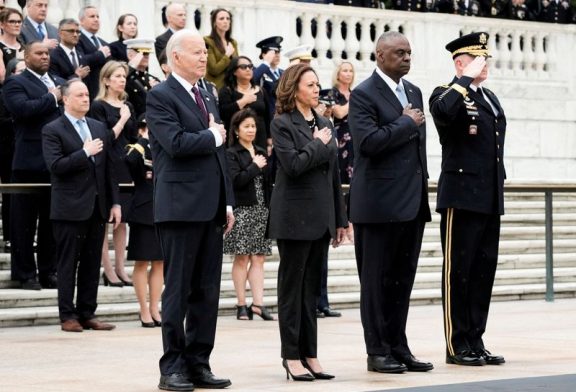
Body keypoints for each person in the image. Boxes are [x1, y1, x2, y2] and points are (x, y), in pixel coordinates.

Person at [146, 29, 233, 391]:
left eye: (205, 52)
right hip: (180, 207)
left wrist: (226, 200)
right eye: (197, 52)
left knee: (206, 290)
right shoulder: (159, 96)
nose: (204, 58)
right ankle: (173, 367)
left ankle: (200, 362)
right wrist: (213, 135)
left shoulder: (207, 94)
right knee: (178, 289)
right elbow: (176, 143)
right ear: (175, 56)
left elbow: (219, 154)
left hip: (210, 206)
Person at [348, 31, 432, 374]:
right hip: (378, 206)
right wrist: (405, 122)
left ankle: (399, 346)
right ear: (380, 55)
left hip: (411, 204)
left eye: (409, 52)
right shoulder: (363, 94)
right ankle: (377, 350)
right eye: (400, 53)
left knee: (402, 280)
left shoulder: (414, 92)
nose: (407, 58)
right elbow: (368, 143)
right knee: (376, 282)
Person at [429, 31, 507, 367]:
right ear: (460, 63)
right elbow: (443, 113)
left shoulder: (488, 97)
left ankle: (476, 339)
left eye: (485, 59)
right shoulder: (447, 93)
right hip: (461, 197)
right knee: (458, 272)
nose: (484, 64)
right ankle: (456, 343)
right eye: (477, 59)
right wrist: (462, 79)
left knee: (482, 272)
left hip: (489, 196)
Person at [268, 63, 347, 382]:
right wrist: (316, 143)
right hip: (293, 218)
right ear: (294, 88)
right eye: (311, 85)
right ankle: (291, 355)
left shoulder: (325, 121)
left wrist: (341, 219)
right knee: (292, 290)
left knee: (311, 291)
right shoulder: (281, 124)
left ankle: (310, 353)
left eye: (317, 84)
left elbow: (334, 175)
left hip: (321, 217)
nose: (317, 89)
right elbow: (293, 165)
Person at [42, 78, 120, 332]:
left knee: (90, 263)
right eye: (79, 95)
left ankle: (88, 312)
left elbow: (109, 169)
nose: (86, 99)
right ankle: (68, 315)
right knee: (67, 263)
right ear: (66, 99)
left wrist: (115, 203)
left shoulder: (98, 127)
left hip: (97, 206)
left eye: (87, 94)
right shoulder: (53, 129)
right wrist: (84, 153)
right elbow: (56, 167)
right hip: (69, 207)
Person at [3, 41, 65, 290]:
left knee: (51, 223)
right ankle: (24, 273)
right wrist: (52, 98)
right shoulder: (15, 83)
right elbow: (22, 110)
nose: (44, 57)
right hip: (28, 162)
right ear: (26, 57)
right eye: (38, 53)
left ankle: (49, 272)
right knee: (23, 223)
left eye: (47, 53)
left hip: (55, 161)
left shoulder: (58, 81)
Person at [224, 108, 274, 321]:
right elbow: (235, 181)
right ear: (236, 130)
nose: (251, 130)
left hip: (261, 208)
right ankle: (241, 304)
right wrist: (254, 166)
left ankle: (258, 303)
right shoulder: (231, 153)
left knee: (259, 258)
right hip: (241, 210)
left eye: (253, 126)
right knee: (242, 257)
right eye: (246, 126)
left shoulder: (261, 150)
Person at [90, 60, 137, 287]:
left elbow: (135, 137)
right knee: (107, 218)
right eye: (117, 76)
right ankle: (107, 269)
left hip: (126, 164)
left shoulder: (128, 105)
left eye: (124, 76)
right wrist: (123, 119)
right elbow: (105, 139)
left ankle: (120, 267)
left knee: (124, 220)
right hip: (107, 164)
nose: (122, 80)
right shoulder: (98, 106)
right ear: (106, 80)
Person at [125, 114, 163, 328]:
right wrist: (144, 139)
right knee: (142, 261)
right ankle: (143, 307)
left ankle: (155, 306)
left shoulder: (162, 148)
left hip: (163, 210)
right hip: (143, 211)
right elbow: (130, 161)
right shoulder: (137, 148)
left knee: (160, 262)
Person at [219, 56, 270, 151]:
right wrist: (242, 102)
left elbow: (268, 116)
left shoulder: (261, 90)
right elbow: (223, 113)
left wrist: (270, 139)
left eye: (250, 66)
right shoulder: (227, 91)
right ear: (234, 72)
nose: (248, 69)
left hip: (260, 138)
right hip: (236, 140)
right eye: (243, 67)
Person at [0, 58, 25, 251]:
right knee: (10, 194)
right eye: (20, 71)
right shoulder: (5, 94)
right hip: (6, 150)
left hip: (21, 150)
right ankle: (8, 236)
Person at [77, 5, 110, 100]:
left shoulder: (104, 43)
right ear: (81, 21)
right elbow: (80, 61)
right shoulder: (77, 40)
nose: (96, 19)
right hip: (89, 91)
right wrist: (100, 55)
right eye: (92, 16)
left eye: (97, 16)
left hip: (106, 91)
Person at [124, 38, 161, 118]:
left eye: (147, 53)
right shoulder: (126, 78)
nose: (146, 56)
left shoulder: (153, 79)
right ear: (130, 55)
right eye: (142, 53)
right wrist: (131, 65)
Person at [204, 8, 238, 90]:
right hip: (216, 88)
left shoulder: (233, 42)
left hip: (231, 88)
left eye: (228, 18)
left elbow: (237, 65)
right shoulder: (207, 41)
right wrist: (227, 55)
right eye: (221, 18)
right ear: (214, 22)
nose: (225, 21)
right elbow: (213, 69)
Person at [253, 35, 283, 119]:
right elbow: (252, 80)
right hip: (267, 117)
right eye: (273, 52)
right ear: (263, 54)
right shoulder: (259, 71)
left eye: (278, 52)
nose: (277, 55)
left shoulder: (283, 73)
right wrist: (266, 62)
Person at [0, 7, 24, 83]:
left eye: (19, 21)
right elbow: (2, 79)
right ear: (2, 25)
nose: (17, 24)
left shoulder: (24, 47)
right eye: (12, 21)